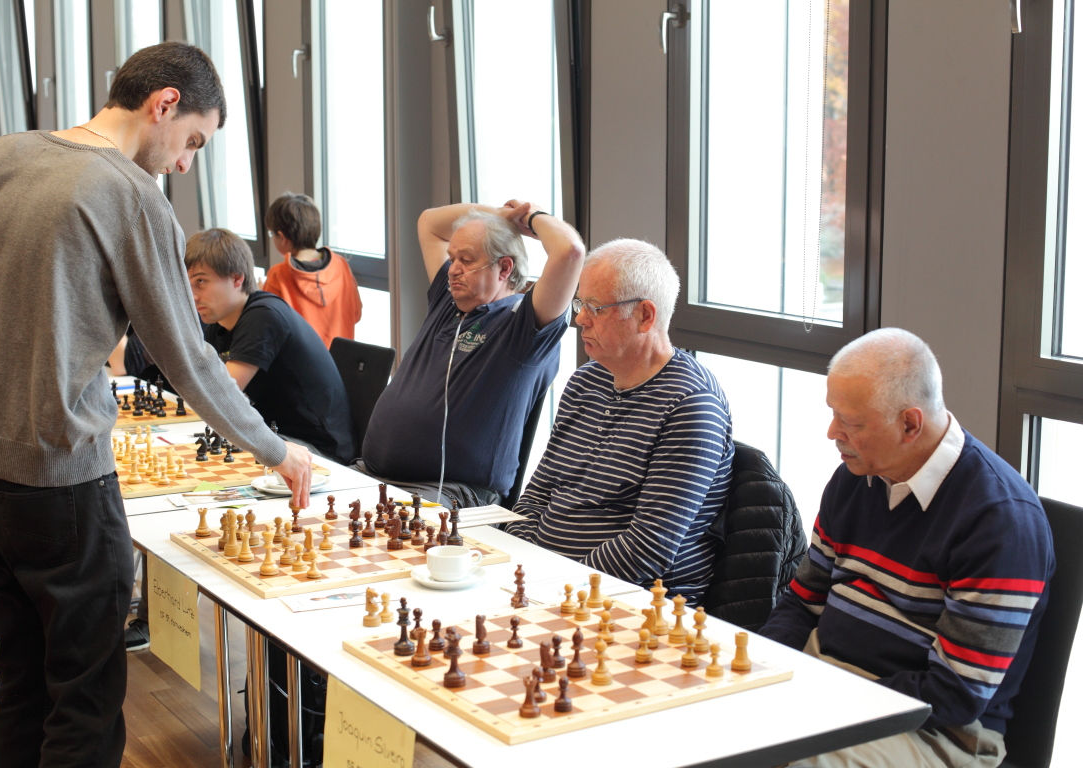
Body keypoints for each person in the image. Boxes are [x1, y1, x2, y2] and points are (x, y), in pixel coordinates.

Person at [0, 41, 314, 768]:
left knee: (22, 685)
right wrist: (275, 449)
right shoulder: (131, 195)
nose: (186, 164)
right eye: (194, 141)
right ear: (164, 104)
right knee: (84, 702)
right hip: (65, 487)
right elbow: (188, 357)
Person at [759, 328, 1055, 768]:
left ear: (910, 424)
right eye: (833, 414)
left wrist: (825, 701)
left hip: (935, 731)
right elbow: (802, 603)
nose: (832, 432)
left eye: (851, 423)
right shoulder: (855, 478)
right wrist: (760, 673)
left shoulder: (999, 520)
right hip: (828, 683)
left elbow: (955, 694)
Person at [503, 239, 734, 605]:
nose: (580, 318)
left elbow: (648, 547)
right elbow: (539, 493)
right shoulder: (586, 382)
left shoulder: (691, 406)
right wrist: (520, 563)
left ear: (645, 316)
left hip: (627, 602)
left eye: (595, 308)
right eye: (580, 304)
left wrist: (558, 586)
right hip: (549, 584)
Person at [358, 200, 585, 505]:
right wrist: (499, 216)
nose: (453, 270)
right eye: (452, 258)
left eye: (466, 260)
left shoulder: (522, 326)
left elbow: (570, 252)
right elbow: (429, 222)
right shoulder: (448, 301)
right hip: (373, 475)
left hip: (450, 492)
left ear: (504, 268)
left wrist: (529, 217)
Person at [186, 226, 355, 463]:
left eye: (201, 282)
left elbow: (220, 396)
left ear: (237, 278)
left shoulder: (263, 316)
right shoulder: (219, 322)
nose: (193, 295)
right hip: (276, 437)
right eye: (188, 285)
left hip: (316, 451)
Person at [262, 191, 362, 348]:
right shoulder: (341, 265)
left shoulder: (278, 276)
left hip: (299, 364)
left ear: (282, 237)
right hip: (341, 361)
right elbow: (356, 314)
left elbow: (267, 329)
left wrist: (259, 296)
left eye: (271, 234)